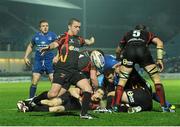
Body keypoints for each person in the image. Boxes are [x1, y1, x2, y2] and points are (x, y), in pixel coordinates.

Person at [29, 18, 95, 119]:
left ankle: (84, 114)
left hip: (74, 72)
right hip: (62, 71)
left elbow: (86, 41)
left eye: (79, 27)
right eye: (75, 27)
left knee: (88, 89)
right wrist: (48, 47)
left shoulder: (79, 39)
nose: (78, 29)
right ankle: (34, 100)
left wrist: (91, 41)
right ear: (69, 26)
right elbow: (55, 44)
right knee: (52, 94)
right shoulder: (63, 37)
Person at [114, 24, 170, 112]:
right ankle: (164, 107)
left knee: (122, 81)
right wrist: (159, 59)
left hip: (129, 52)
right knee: (156, 80)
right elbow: (160, 42)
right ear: (144, 30)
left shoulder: (128, 33)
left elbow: (118, 50)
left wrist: (118, 58)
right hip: (143, 52)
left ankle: (116, 106)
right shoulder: (147, 33)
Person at [24, 20, 58, 98]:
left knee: (53, 80)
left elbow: (59, 45)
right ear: (40, 28)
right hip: (38, 60)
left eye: (47, 26)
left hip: (49, 60)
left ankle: (55, 98)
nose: (45, 27)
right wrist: (25, 57)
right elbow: (30, 46)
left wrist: (57, 56)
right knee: (35, 80)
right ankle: (31, 99)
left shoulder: (52, 35)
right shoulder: (36, 36)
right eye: (43, 26)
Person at [17, 87, 104, 113]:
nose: (99, 95)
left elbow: (103, 107)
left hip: (71, 107)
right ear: (94, 91)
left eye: (101, 95)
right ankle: (26, 102)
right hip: (69, 98)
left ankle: (29, 108)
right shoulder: (86, 91)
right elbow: (72, 90)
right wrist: (79, 98)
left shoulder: (97, 104)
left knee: (55, 109)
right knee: (52, 103)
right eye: (99, 92)